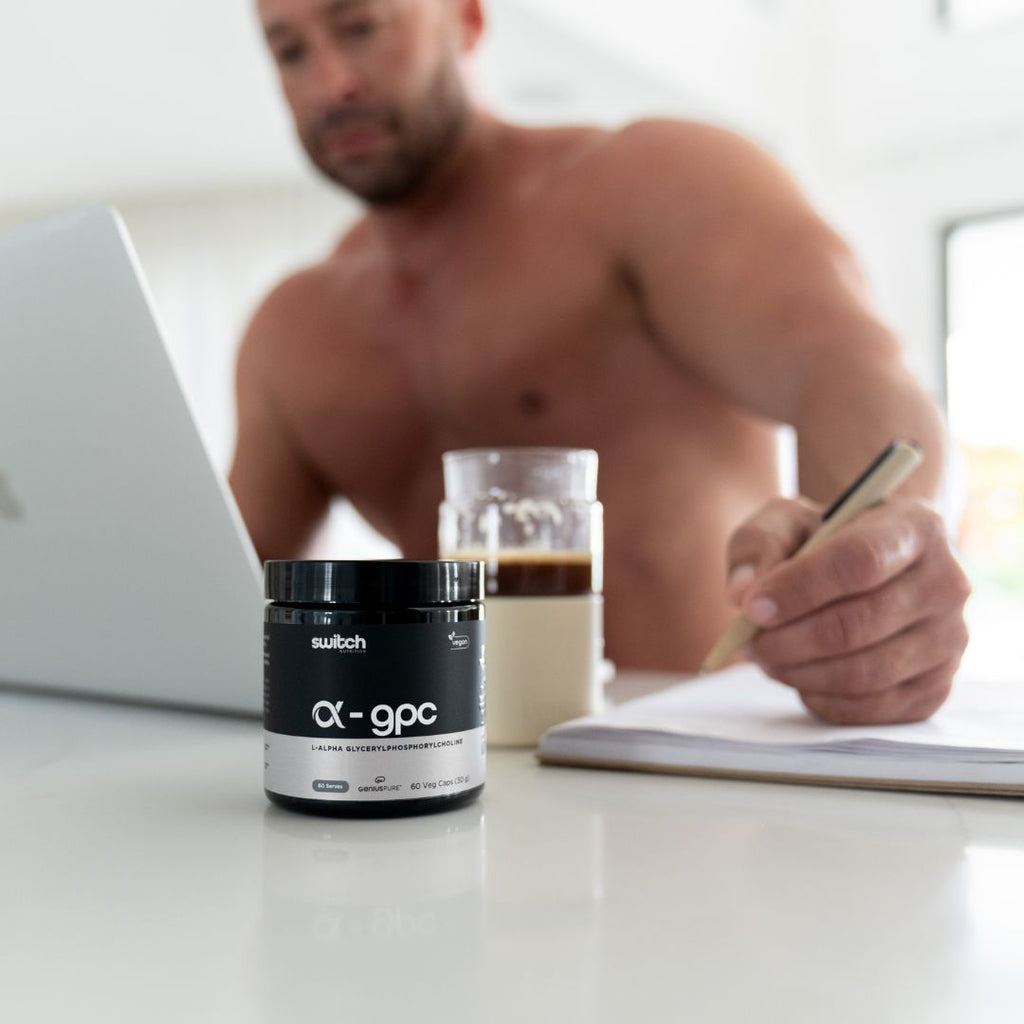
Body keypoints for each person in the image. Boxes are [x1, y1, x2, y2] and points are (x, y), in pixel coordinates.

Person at [230, 0, 971, 725]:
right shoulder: (291, 330)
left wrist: (880, 567)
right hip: (451, 772)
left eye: (360, 26)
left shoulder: (649, 183)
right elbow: (225, 599)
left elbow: (852, 367)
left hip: (699, 768)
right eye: (289, 51)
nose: (331, 83)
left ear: (468, 18)